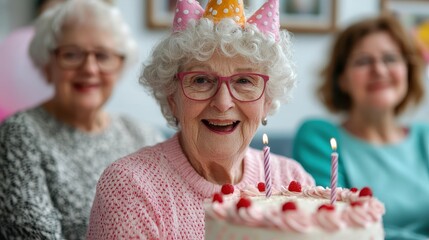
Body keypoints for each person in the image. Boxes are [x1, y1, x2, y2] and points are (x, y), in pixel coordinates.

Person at [87, 0, 315, 239]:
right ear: (172, 97)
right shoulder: (130, 187)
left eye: (244, 81)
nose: (223, 102)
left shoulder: (293, 180)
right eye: (201, 80)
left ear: (267, 101)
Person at [0, 0, 164, 239]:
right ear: (47, 64)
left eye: (102, 55)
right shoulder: (19, 135)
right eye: (72, 54)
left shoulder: (143, 134)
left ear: (119, 66)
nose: (89, 68)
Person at [292, 14, 429, 240]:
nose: (379, 70)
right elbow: (338, 226)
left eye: (391, 58)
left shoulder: (425, 137)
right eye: (363, 61)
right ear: (342, 79)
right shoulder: (319, 138)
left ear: (408, 71)